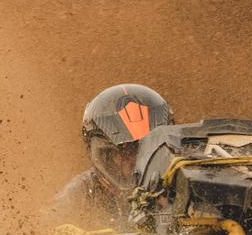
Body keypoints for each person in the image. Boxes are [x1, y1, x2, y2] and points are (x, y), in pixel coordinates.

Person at [51, 84, 173, 227]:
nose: (137, 160)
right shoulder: (82, 192)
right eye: (126, 151)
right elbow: (41, 229)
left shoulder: (180, 182)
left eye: (147, 149)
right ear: (105, 156)